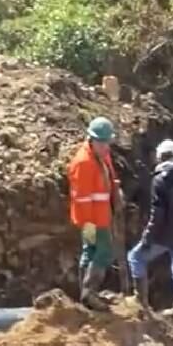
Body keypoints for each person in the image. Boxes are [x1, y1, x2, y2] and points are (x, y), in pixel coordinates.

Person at [128, 140, 173, 319]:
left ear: (162, 157)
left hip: (163, 236)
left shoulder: (161, 180)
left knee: (135, 257)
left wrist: (147, 239)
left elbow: (158, 215)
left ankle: (141, 303)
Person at [67, 116, 120, 310]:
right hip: (91, 220)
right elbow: (82, 199)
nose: (107, 146)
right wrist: (90, 224)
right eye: (103, 142)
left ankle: (87, 294)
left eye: (108, 142)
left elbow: (108, 176)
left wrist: (115, 190)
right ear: (93, 140)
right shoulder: (84, 163)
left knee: (90, 251)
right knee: (103, 252)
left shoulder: (101, 155)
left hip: (99, 216)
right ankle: (89, 293)